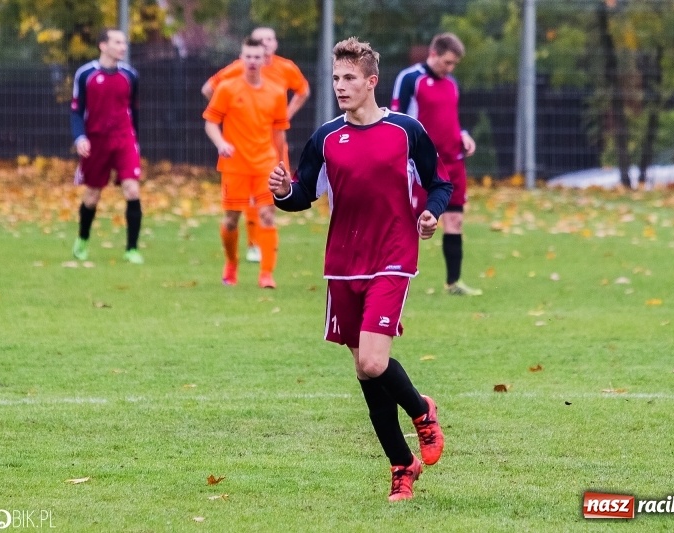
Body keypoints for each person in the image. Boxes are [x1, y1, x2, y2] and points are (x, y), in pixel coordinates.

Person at [269, 37, 450, 501]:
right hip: (343, 264)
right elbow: (302, 195)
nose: (341, 86)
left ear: (371, 82)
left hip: (393, 255)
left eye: (350, 78)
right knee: (365, 373)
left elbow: (438, 182)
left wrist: (431, 213)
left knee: (374, 360)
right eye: (335, 78)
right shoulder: (326, 138)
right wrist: (280, 192)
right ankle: (402, 466)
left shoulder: (406, 131)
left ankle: (422, 411)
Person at [202, 27, 310, 264]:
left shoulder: (285, 68)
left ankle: (265, 266)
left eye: (270, 38)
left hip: (270, 143)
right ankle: (250, 246)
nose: (266, 43)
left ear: (273, 45)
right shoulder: (236, 74)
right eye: (262, 39)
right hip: (240, 147)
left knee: (268, 202)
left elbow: (303, 91)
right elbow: (209, 90)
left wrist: (286, 115)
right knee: (240, 208)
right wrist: (232, 111)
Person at [391, 32, 482, 296]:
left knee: (455, 220)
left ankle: (453, 282)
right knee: (411, 221)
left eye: (454, 64)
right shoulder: (410, 79)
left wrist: (463, 135)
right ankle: (397, 276)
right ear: (433, 54)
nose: (450, 69)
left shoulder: (451, 83)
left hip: (454, 163)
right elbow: (397, 120)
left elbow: (451, 119)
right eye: (447, 62)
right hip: (423, 165)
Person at [70, 28, 144, 264]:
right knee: (92, 195)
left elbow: (134, 111)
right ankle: (82, 239)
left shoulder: (130, 76)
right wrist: (80, 137)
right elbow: (76, 111)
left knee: (132, 190)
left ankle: (131, 249)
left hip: (124, 139)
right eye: (118, 42)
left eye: (124, 42)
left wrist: (135, 141)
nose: (123, 47)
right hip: (96, 141)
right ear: (103, 45)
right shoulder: (85, 75)